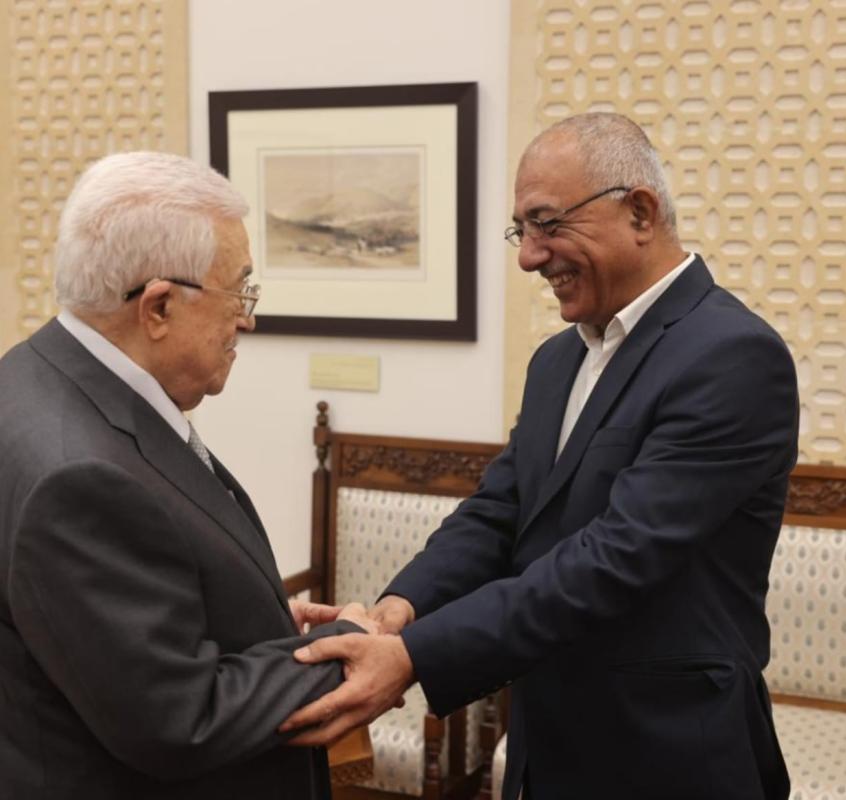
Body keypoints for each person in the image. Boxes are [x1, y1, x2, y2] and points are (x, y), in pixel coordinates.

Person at [282, 113, 799, 800]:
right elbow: (499, 512)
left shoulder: (732, 357)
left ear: (640, 213)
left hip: (670, 755)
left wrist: (412, 657)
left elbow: (615, 558)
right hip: (548, 744)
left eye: (548, 224)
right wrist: (397, 610)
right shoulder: (557, 360)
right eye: (521, 231)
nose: (529, 257)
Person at [0, 151, 371, 800]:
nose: (247, 319)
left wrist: (250, 619)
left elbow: (93, 624)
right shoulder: (81, 478)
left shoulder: (28, 376)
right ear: (159, 307)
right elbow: (177, 720)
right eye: (239, 291)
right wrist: (345, 651)